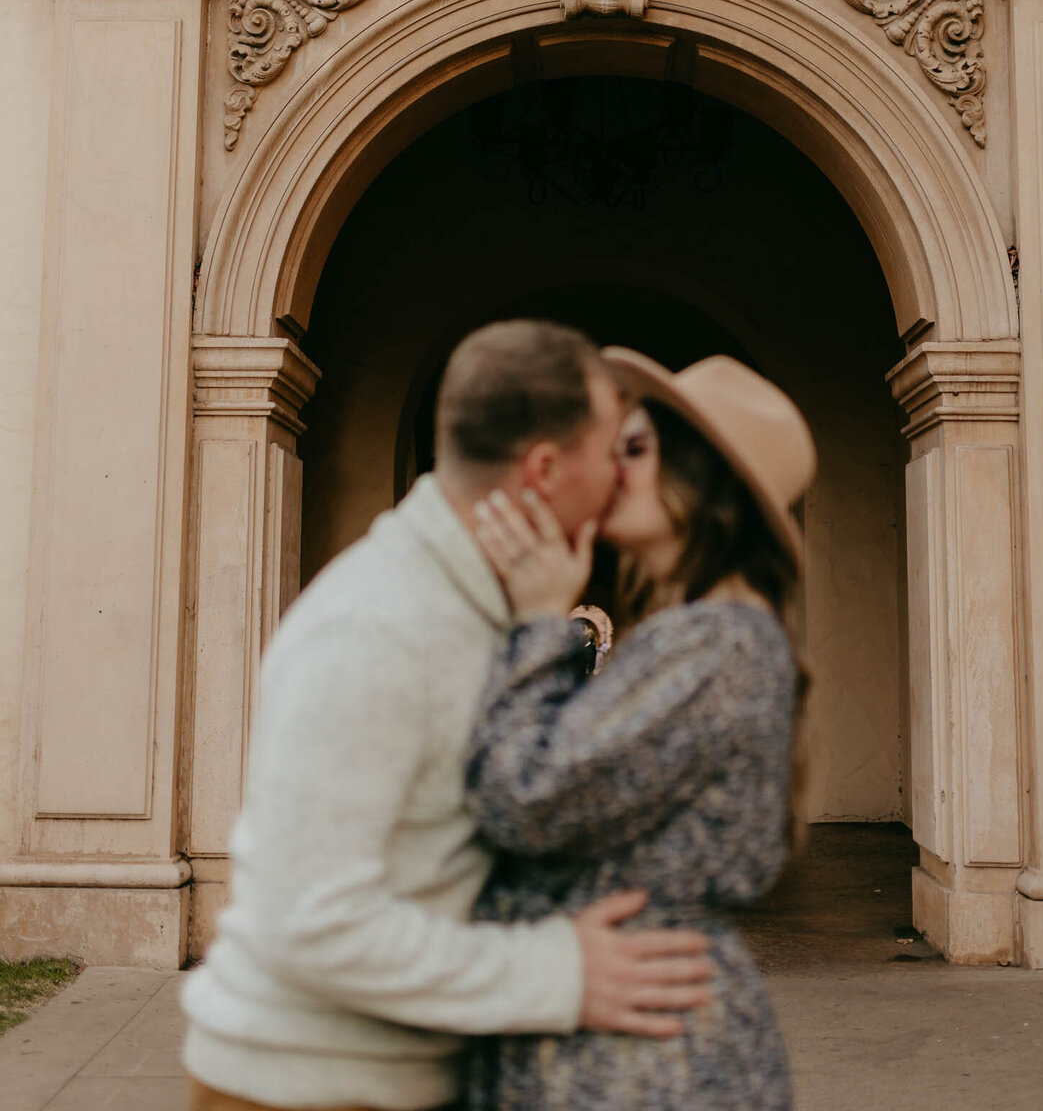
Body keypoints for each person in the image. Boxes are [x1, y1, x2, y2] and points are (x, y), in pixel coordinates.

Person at [182, 321, 713, 1111]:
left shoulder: (484, 607)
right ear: (545, 468)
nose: (622, 480)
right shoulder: (376, 626)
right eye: (614, 453)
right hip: (306, 1089)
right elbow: (314, 921)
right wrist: (559, 973)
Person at [464, 348, 817, 1111]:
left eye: (636, 449)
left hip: (650, 1063)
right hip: (632, 1042)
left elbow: (522, 795)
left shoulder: (718, 643)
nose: (611, 470)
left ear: (704, 478)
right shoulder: (701, 636)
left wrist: (535, 623)